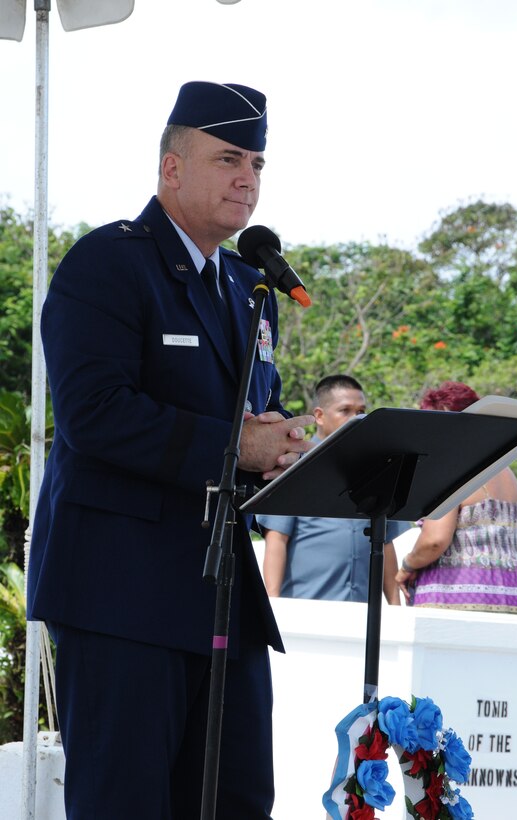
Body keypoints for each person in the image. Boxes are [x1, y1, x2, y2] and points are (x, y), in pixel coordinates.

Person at [26, 81, 315, 820]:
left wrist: (284, 440)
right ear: (171, 169)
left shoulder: (250, 283)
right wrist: (237, 444)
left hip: (220, 592)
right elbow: (94, 415)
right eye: (227, 159)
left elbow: (248, 413)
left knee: (237, 800)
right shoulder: (108, 264)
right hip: (121, 592)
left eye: (256, 162)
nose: (247, 178)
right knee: (126, 805)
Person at [257, 375, 408, 603]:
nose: (356, 418)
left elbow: (385, 541)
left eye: (361, 411)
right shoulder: (296, 466)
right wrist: (273, 601)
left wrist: (395, 605)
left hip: (363, 611)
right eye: (345, 410)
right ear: (319, 415)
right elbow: (277, 538)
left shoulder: (379, 469)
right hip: (308, 608)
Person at [395, 381, 517, 614]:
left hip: (456, 599)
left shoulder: (450, 469)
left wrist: (407, 566)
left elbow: (435, 541)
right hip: (513, 598)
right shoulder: (506, 471)